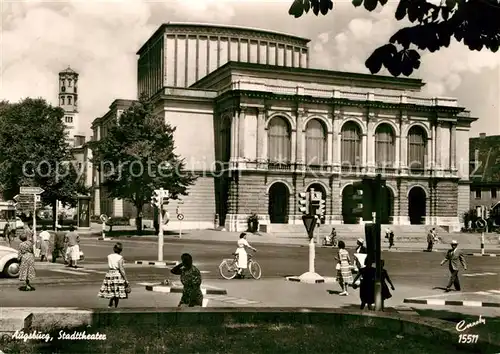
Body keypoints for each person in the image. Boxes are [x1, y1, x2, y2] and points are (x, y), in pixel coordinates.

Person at [98, 242, 129, 308]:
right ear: (121, 250)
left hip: (109, 274)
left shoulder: (109, 256)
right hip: (117, 275)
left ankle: (110, 305)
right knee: (117, 293)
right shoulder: (120, 257)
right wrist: (126, 280)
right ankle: (115, 307)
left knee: (112, 291)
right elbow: (121, 269)